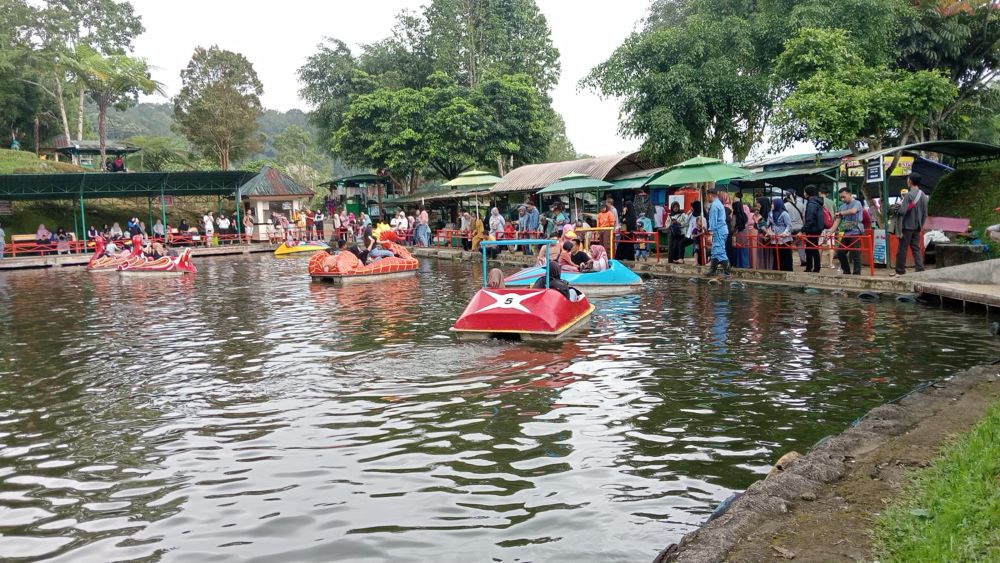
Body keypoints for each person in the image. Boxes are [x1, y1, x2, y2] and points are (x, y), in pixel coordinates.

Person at [894, 172, 928, 276]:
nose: (907, 181)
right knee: (916, 248)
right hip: (917, 227)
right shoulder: (923, 195)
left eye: (908, 179)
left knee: (902, 249)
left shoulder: (908, 195)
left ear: (910, 181)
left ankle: (900, 271)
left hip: (906, 227)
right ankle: (920, 269)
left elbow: (902, 211)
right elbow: (925, 214)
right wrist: (920, 226)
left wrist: (896, 209)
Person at [832, 188, 864, 275]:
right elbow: (837, 221)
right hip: (846, 232)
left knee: (855, 254)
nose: (842, 199)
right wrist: (830, 232)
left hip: (856, 231)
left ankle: (857, 273)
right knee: (840, 252)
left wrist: (841, 213)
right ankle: (846, 271)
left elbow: (853, 211)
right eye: (841, 197)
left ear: (850, 195)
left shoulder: (857, 203)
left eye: (844, 197)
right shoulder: (842, 206)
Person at [705, 188, 731, 277]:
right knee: (715, 251)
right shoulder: (719, 203)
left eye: (707, 196)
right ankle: (712, 270)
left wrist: (710, 232)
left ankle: (727, 272)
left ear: (710, 195)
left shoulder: (714, 206)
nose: (707, 198)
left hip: (718, 231)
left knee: (720, 251)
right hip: (722, 230)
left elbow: (713, 221)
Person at [802, 185, 825, 273]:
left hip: (812, 229)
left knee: (811, 249)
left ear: (808, 193)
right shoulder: (818, 202)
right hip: (817, 229)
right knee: (813, 248)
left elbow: (810, 219)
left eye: (805, 192)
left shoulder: (812, 203)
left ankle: (812, 267)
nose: (804, 193)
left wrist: (803, 230)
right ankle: (814, 267)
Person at [769, 197, 793, 272]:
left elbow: (789, 225)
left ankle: (787, 271)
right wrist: (770, 232)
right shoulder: (770, 213)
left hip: (784, 239)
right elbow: (768, 224)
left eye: (773, 204)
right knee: (776, 255)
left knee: (785, 255)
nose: (771, 205)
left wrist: (784, 233)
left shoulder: (784, 213)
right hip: (774, 238)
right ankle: (777, 270)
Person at [819, 187, 838, 270]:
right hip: (831, 227)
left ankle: (818, 263)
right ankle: (831, 264)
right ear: (827, 194)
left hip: (821, 227)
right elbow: (835, 215)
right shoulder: (832, 202)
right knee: (831, 245)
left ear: (820, 192)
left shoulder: (817, 201)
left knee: (820, 245)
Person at [731, 193, 752, 269]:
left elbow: (733, 226)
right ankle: (745, 265)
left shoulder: (735, 216)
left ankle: (739, 266)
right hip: (745, 237)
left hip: (737, 237)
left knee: (738, 252)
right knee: (744, 252)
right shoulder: (745, 215)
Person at [753, 197, 773, 271]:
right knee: (761, 253)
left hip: (768, 236)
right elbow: (755, 226)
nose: (757, 206)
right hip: (761, 236)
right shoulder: (758, 214)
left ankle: (769, 268)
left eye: (759, 204)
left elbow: (771, 226)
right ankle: (761, 268)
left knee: (768, 253)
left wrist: (766, 232)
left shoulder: (770, 214)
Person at [687, 201, 705, 265]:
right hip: (696, 242)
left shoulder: (702, 215)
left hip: (701, 242)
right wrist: (689, 213)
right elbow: (693, 236)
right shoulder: (695, 229)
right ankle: (696, 262)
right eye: (700, 221)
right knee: (696, 251)